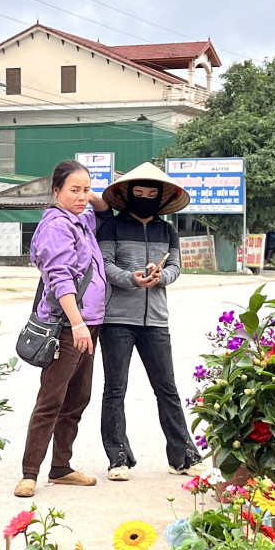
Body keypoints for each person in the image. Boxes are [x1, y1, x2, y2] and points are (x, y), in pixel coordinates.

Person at [96, 161, 199, 481]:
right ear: (127, 195)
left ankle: (182, 456)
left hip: (156, 320)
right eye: (137, 192)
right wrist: (132, 278)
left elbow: (176, 268)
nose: (144, 197)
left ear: (160, 197)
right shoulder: (112, 227)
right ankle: (118, 458)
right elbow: (105, 266)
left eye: (150, 193)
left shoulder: (167, 230)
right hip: (117, 320)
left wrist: (160, 277)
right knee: (115, 389)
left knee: (166, 388)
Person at [15, 159, 106, 496]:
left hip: (90, 324)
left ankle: (61, 467)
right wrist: (78, 324)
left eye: (86, 189)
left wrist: (87, 195)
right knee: (52, 398)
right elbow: (60, 279)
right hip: (68, 327)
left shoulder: (80, 218)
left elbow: (104, 205)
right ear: (56, 191)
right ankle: (29, 473)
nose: (82, 196)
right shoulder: (57, 225)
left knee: (78, 397)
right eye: (74, 190)